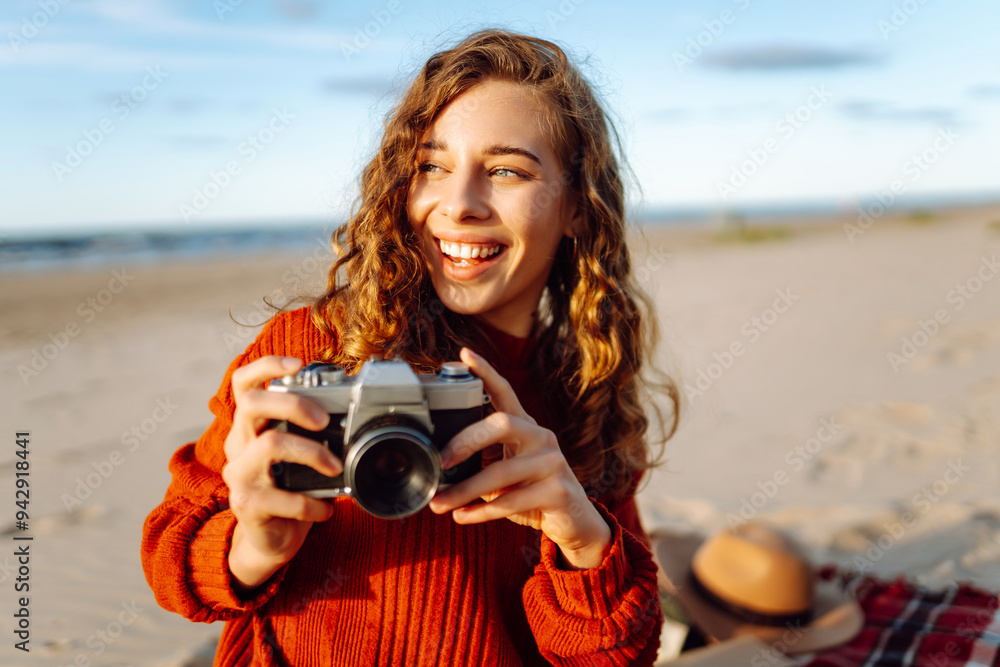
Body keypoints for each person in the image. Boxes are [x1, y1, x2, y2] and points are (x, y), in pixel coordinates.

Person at [142, 28, 679, 666]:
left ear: (578, 209)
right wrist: (251, 545)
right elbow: (170, 560)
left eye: (506, 170)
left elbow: (623, 655)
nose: (458, 204)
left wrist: (584, 543)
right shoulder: (315, 349)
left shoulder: (586, 389)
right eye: (432, 166)